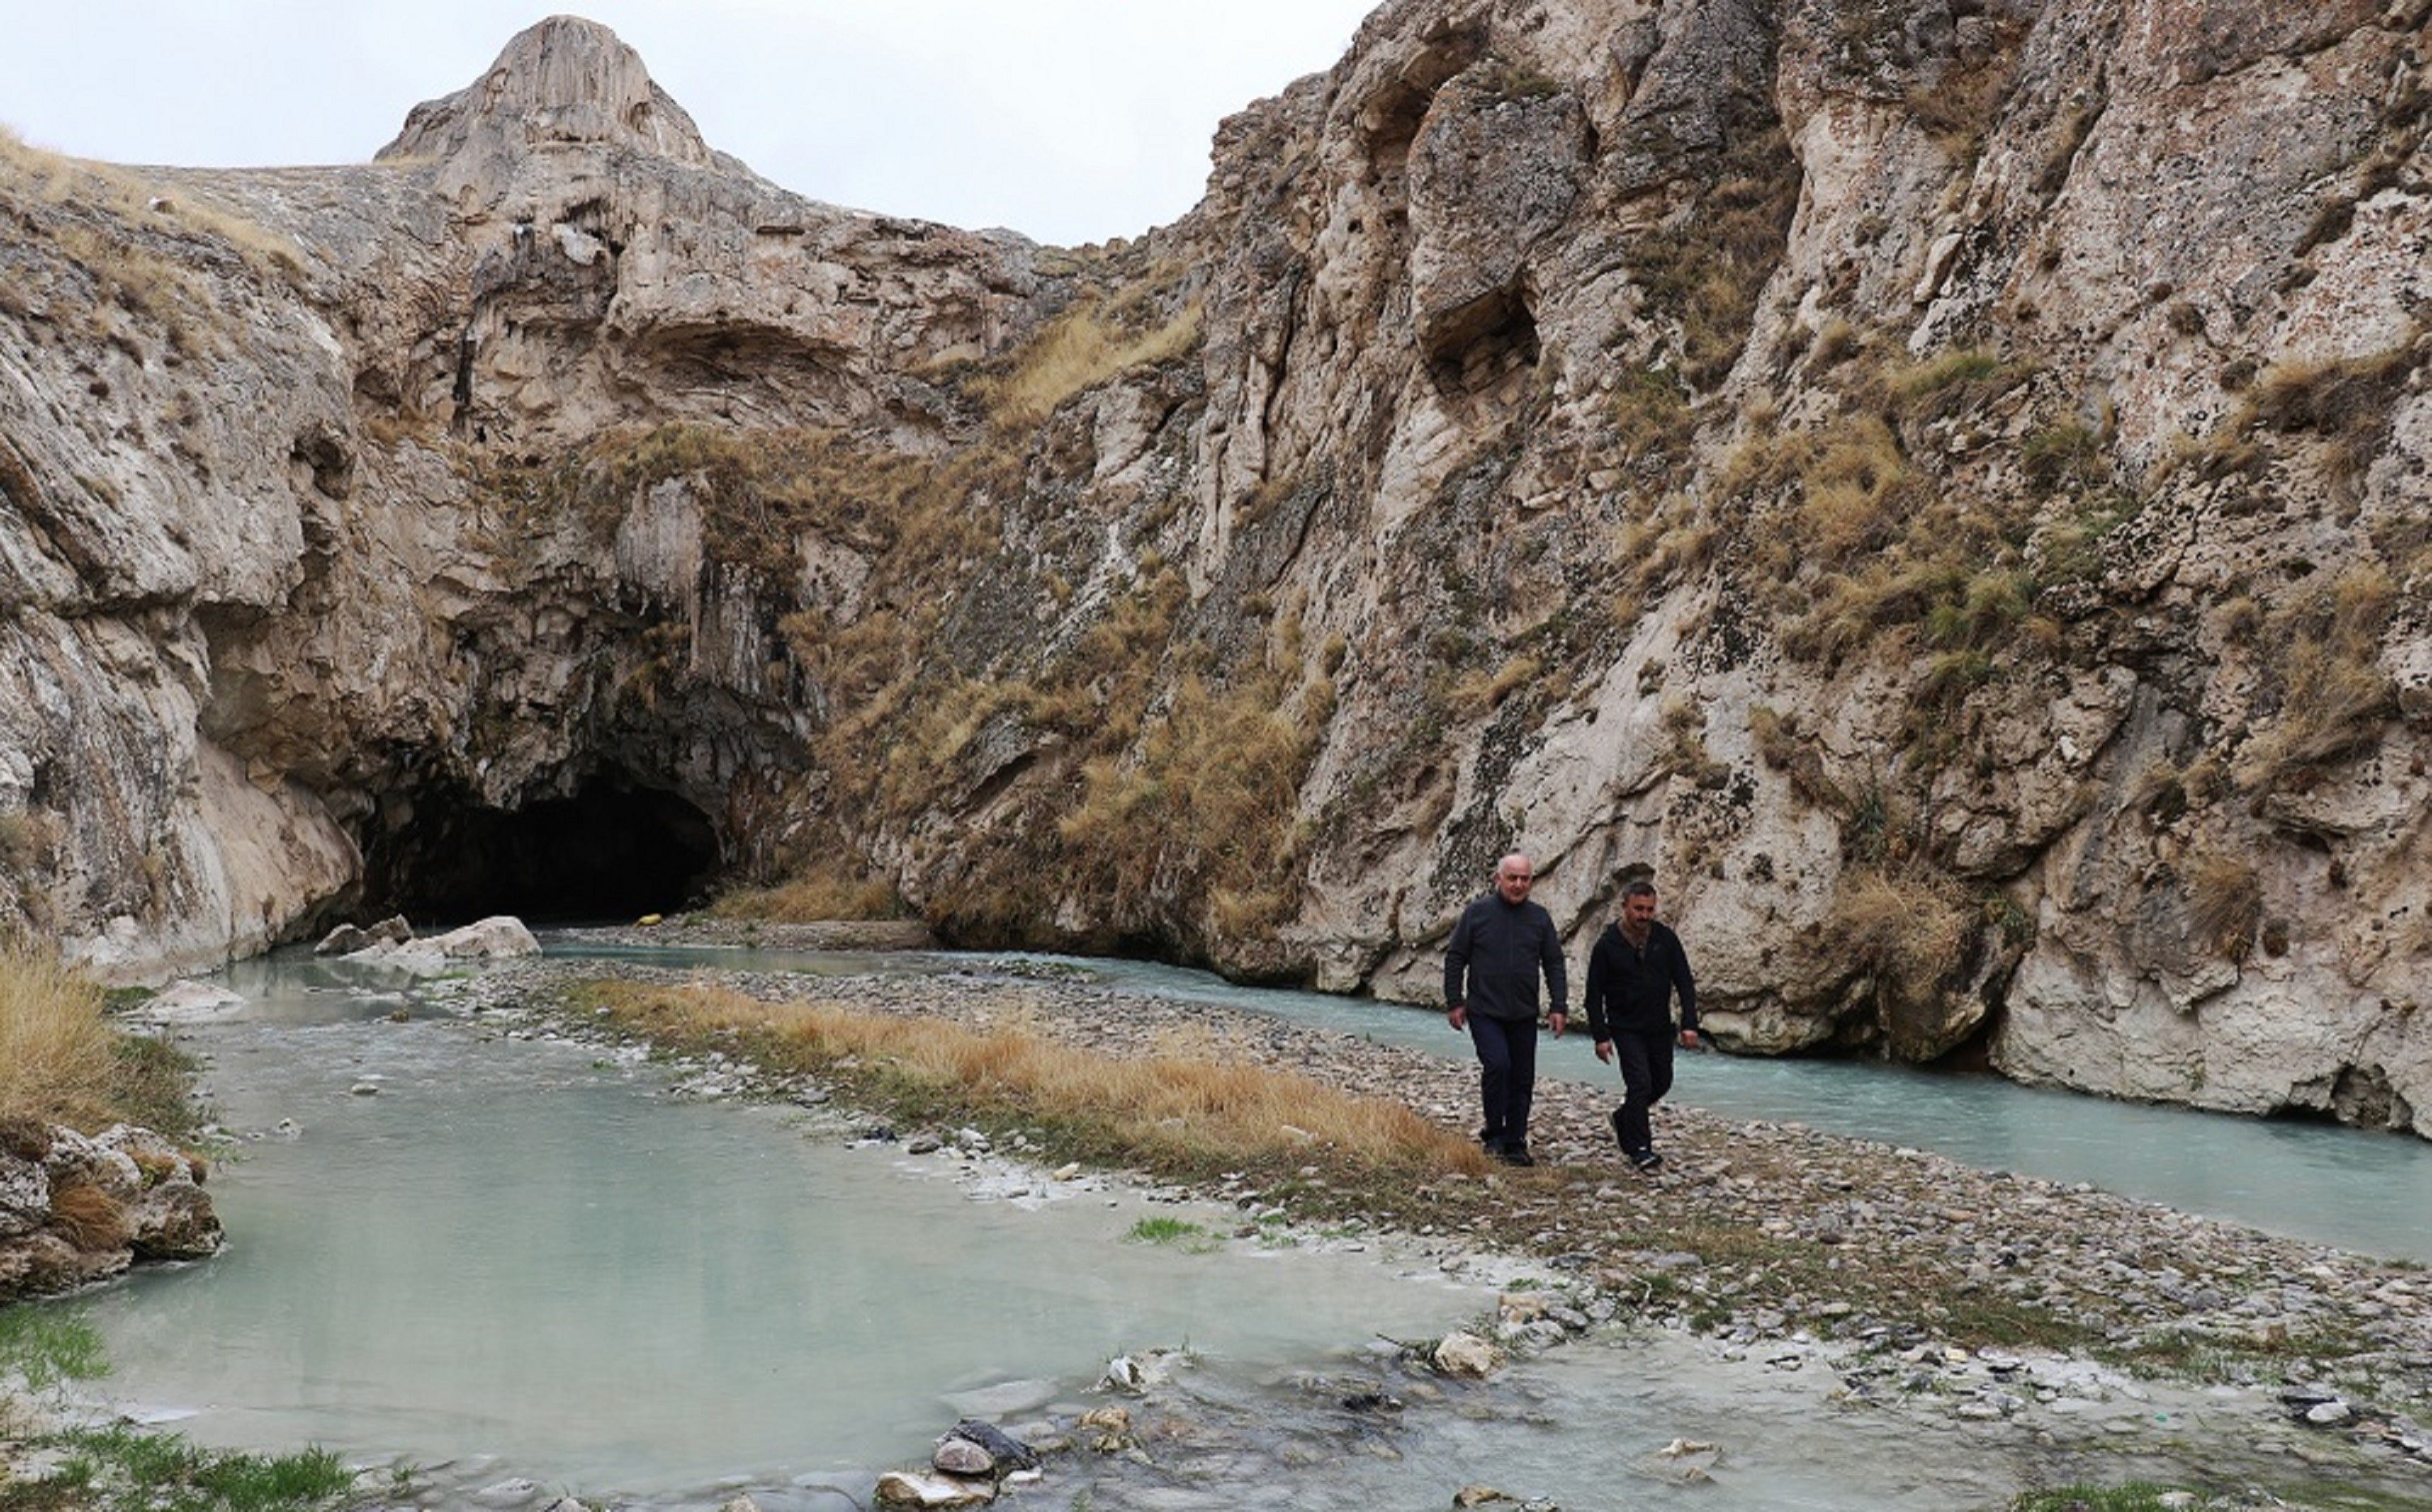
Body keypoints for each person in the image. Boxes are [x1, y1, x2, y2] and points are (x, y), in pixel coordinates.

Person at [1443, 852, 1567, 1166]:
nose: (1518, 884)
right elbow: (1456, 957)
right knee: (1498, 1066)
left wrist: (1559, 1005)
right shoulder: (1477, 913)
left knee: (1522, 1078)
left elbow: (1553, 962)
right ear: (1498, 879)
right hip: (1485, 1010)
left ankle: (1516, 1141)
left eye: (1524, 879)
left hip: (1524, 1013)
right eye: (1512, 878)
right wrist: (1454, 1002)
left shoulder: (1540, 918)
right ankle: (1494, 1134)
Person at [1582, 879, 1698, 1172]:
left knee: (1661, 1082)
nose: (1644, 915)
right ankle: (1640, 1148)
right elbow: (1593, 995)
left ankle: (1624, 1118)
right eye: (1638, 909)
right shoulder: (1607, 946)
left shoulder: (1665, 939)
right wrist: (1601, 1035)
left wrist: (1689, 1023)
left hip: (1659, 1026)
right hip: (1625, 1027)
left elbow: (1684, 981)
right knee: (1640, 1083)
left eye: (1649, 909)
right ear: (1625, 907)